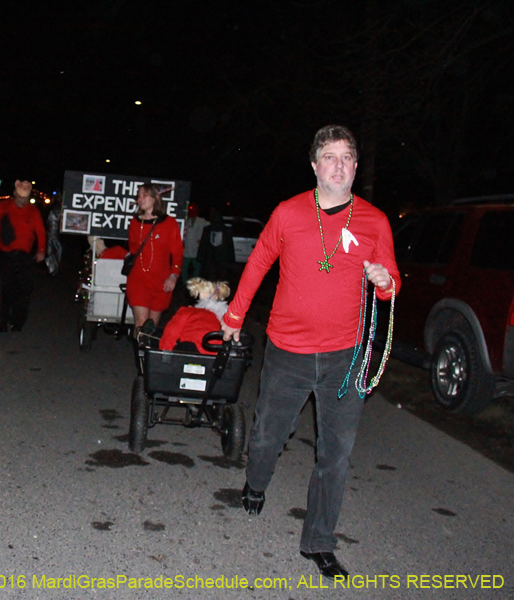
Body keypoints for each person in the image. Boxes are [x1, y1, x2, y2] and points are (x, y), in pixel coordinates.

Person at [221, 125, 399, 580]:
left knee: (335, 453)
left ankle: (319, 542)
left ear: (355, 167)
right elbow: (259, 262)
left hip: (345, 357)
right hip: (288, 350)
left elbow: (390, 281)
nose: (339, 166)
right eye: (330, 157)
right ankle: (256, 482)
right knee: (268, 437)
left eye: (347, 158)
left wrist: (384, 282)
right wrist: (234, 316)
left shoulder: (375, 221)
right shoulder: (288, 212)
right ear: (315, 165)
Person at [0, 179, 46, 332]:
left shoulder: (33, 211)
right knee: (5, 288)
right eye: (20, 198)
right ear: (14, 194)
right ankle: (2, 320)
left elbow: (40, 231)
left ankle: (18, 320)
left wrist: (41, 250)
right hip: (5, 252)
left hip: (24, 255)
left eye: (25, 199)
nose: (22, 201)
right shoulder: (3, 206)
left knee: (23, 289)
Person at [125, 183, 183, 329]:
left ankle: (143, 344)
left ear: (155, 197)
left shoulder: (169, 223)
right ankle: (139, 342)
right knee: (141, 324)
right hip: (139, 280)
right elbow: (133, 249)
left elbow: (177, 252)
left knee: (151, 327)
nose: (140, 199)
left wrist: (173, 275)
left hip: (160, 282)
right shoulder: (135, 223)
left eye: (144, 195)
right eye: (138, 196)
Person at [159, 278, 229, 354]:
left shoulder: (187, 312)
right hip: (214, 354)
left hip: (190, 351)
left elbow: (170, 333)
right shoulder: (226, 318)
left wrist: (164, 354)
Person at [181, 204, 209, 282]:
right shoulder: (186, 221)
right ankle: (184, 283)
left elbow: (210, 226)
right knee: (184, 268)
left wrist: (203, 240)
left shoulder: (201, 221)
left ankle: (195, 283)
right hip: (186, 249)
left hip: (196, 249)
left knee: (197, 268)